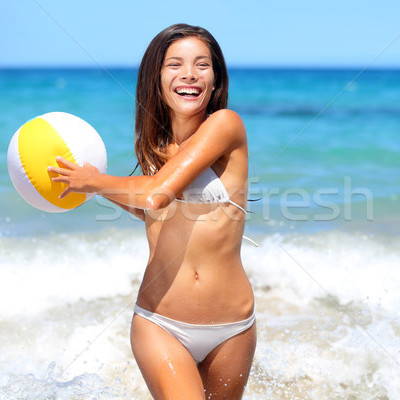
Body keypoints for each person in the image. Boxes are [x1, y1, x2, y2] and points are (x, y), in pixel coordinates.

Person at [48, 23, 256, 399]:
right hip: (161, 324)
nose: (189, 74)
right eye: (175, 64)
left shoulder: (226, 125)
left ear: (215, 81)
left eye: (202, 65)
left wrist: (94, 182)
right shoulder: (155, 146)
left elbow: (157, 195)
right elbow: (152, 211)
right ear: (156, 79)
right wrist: (95, 182)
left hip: (233, 328)